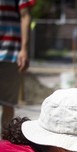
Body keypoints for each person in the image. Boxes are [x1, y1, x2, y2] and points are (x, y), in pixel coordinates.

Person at [0, 0, 35, 130]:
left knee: (7, 103)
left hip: (10, 51)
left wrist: (24, 49)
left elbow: (25, 15)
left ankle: (4, 146)